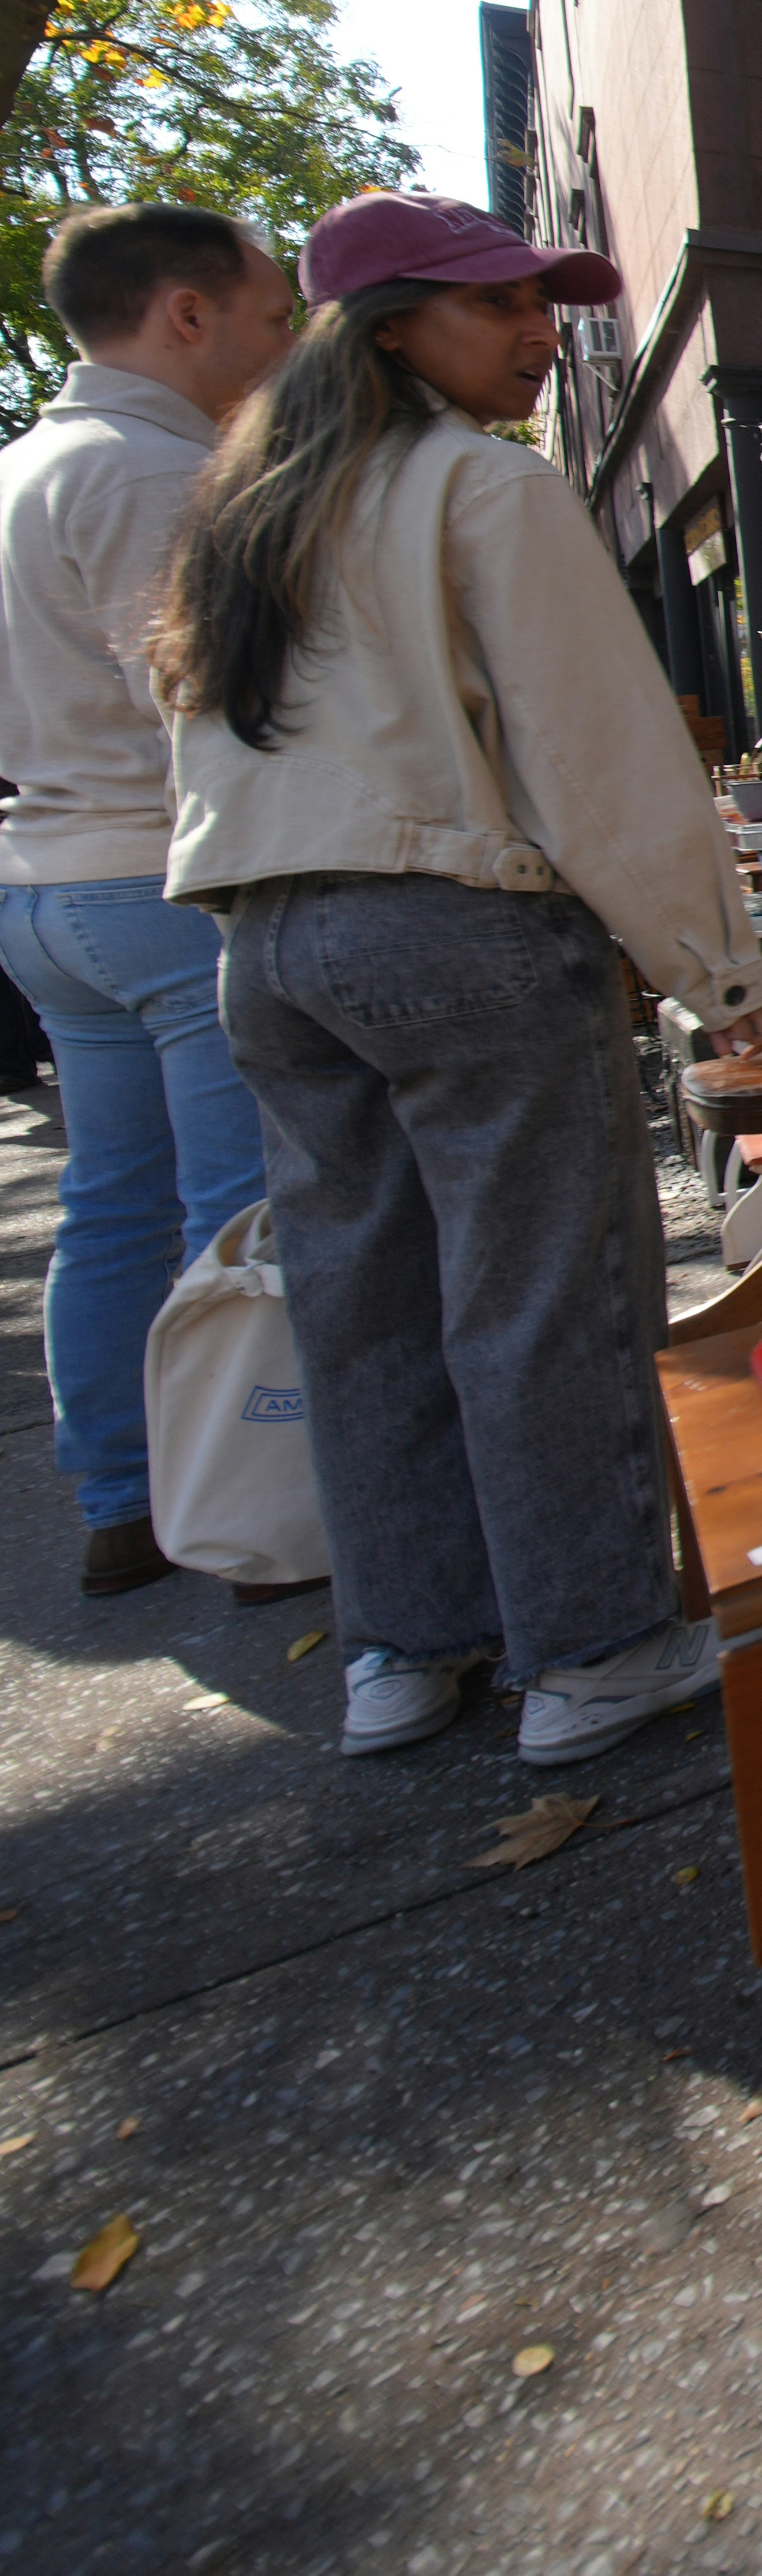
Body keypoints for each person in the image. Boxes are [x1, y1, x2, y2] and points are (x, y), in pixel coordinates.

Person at [155, 192, 762, 1762]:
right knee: (542, 1301)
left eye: (543, 303)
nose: (538, 333)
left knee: (358, 1307)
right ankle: (592, 1648)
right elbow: (599, 754)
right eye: (496, 307)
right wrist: (718, 970)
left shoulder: (246, 505)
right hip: (454, 926)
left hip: (269, 942)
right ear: (394, 333)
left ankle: (405, 1645)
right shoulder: (478, 487)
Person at [0, 204, 296, 1588]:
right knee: (239, 1211)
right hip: (157, 879)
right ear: (187, 314)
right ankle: (248, 1502)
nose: (281, 343)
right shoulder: (148, 472)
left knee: (111, 1202)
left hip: (51, 888)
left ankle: (123, 1492)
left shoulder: (28, 464)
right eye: (271, 314)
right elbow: (193, 700)